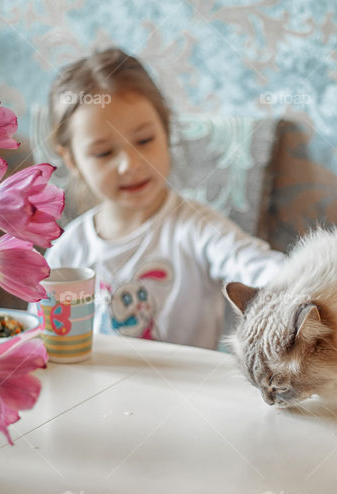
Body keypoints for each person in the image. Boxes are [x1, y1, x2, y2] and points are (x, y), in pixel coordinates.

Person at [43, 48, 284, 349]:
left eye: (144, 141)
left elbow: (264, 270)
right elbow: (43, 339)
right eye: (104, 153)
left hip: (186, 394)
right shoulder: (68, 252)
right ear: (73, 160)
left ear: (166, 129)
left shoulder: (198, 229)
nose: (129, 164)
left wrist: (307, 284)